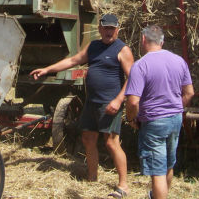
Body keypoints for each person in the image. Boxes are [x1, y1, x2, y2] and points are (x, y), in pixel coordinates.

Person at [30, 13, 134, 198]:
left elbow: (133, 78)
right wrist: (47, 69)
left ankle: (123, 185)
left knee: (111, 143)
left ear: (118, 29)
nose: (109, 32)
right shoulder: (94, 46)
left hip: (109, 104)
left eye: (112, 28)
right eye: (106, 28)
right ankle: (92, 177)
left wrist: (118, 100)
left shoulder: (122, 49)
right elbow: (73, 60)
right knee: (87, 138)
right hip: (91, 102)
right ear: (100, 28)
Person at [125, 25, 194, 199]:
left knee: (157, 172)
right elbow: (189, 93)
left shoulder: (140, 66)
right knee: (168, 165)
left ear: (143, 40)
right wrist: (175, 107)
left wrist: (131, 118)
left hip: (154, 122)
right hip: (175, 119)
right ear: (162, 41)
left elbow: (133, 101)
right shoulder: (179, 61)